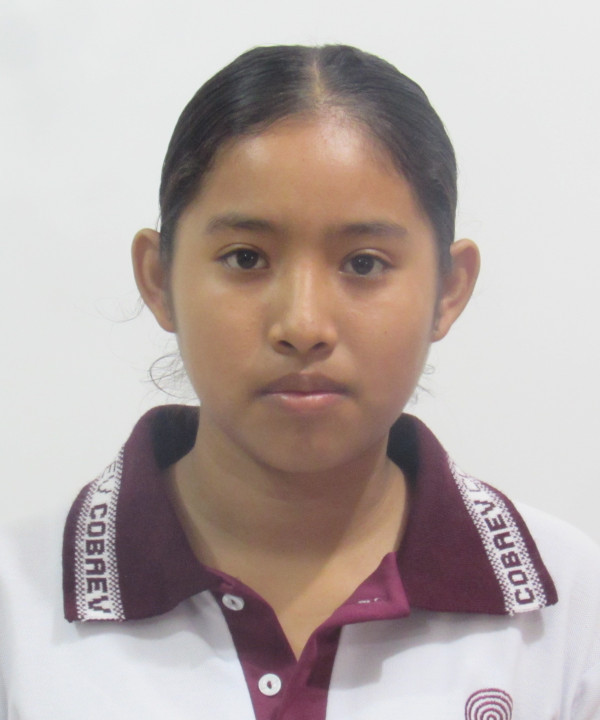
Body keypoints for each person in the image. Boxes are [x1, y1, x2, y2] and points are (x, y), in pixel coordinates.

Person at [1, 44, 599, 720]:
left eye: (364, 264)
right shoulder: (18, 606)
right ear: (159, 279)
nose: (304, 324)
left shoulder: (566, 609)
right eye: (245, 258)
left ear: (448, 290)